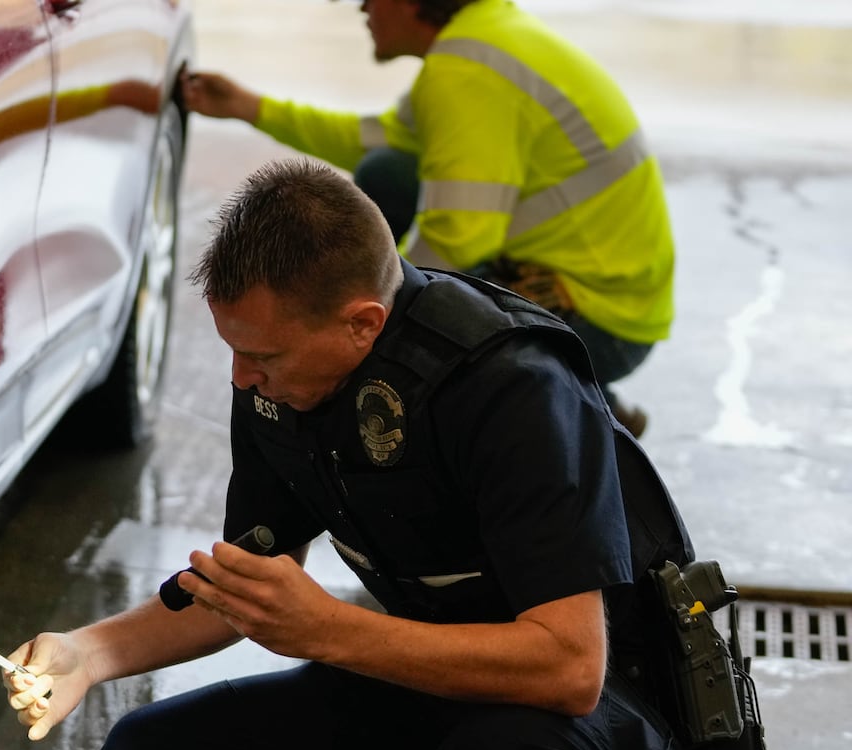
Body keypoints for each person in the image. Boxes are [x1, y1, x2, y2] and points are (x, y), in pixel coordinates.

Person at [0, 159, 694, 750]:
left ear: (363, 324)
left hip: (602, 711)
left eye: (262, 354)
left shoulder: (511, 387)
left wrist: (331, 631)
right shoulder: (280, 385)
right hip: (427, 673)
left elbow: (571, 669)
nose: (241, 378)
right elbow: (241, 590)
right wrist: (87, 653)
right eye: (234, 350)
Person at [181, 0, 675, 438]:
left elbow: (456, 241)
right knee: (388, 173)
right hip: (610, 290)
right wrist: (251, 108)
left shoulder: (468, 71)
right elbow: (374, 141)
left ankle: (575, 404)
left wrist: (358, 314)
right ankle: (597, 403)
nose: (361, 10)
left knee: (395, 339)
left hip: (600, 318)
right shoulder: (483, 36)